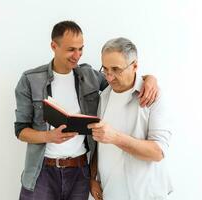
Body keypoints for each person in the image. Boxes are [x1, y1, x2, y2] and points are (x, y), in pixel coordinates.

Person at [14, 21, 158, 200]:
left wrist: (149, 79)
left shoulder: (90, 75)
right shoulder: (30, 80)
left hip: (79, 172)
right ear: (54, 46)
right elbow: (20, 131)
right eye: (71, 49)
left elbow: (122, 81)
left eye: (81, 48)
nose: (77, 55)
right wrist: (48, 137)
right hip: (42, 172)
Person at [88, 37, 172, 200]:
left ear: (135, 66)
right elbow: (97, 143)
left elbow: (158, 152)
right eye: (105, 69)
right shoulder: (104, 95)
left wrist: (115, 137)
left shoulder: (153, 96)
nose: (109, 77)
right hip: (109, 192)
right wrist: (93, 177)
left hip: (144, 195)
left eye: (116, 69)